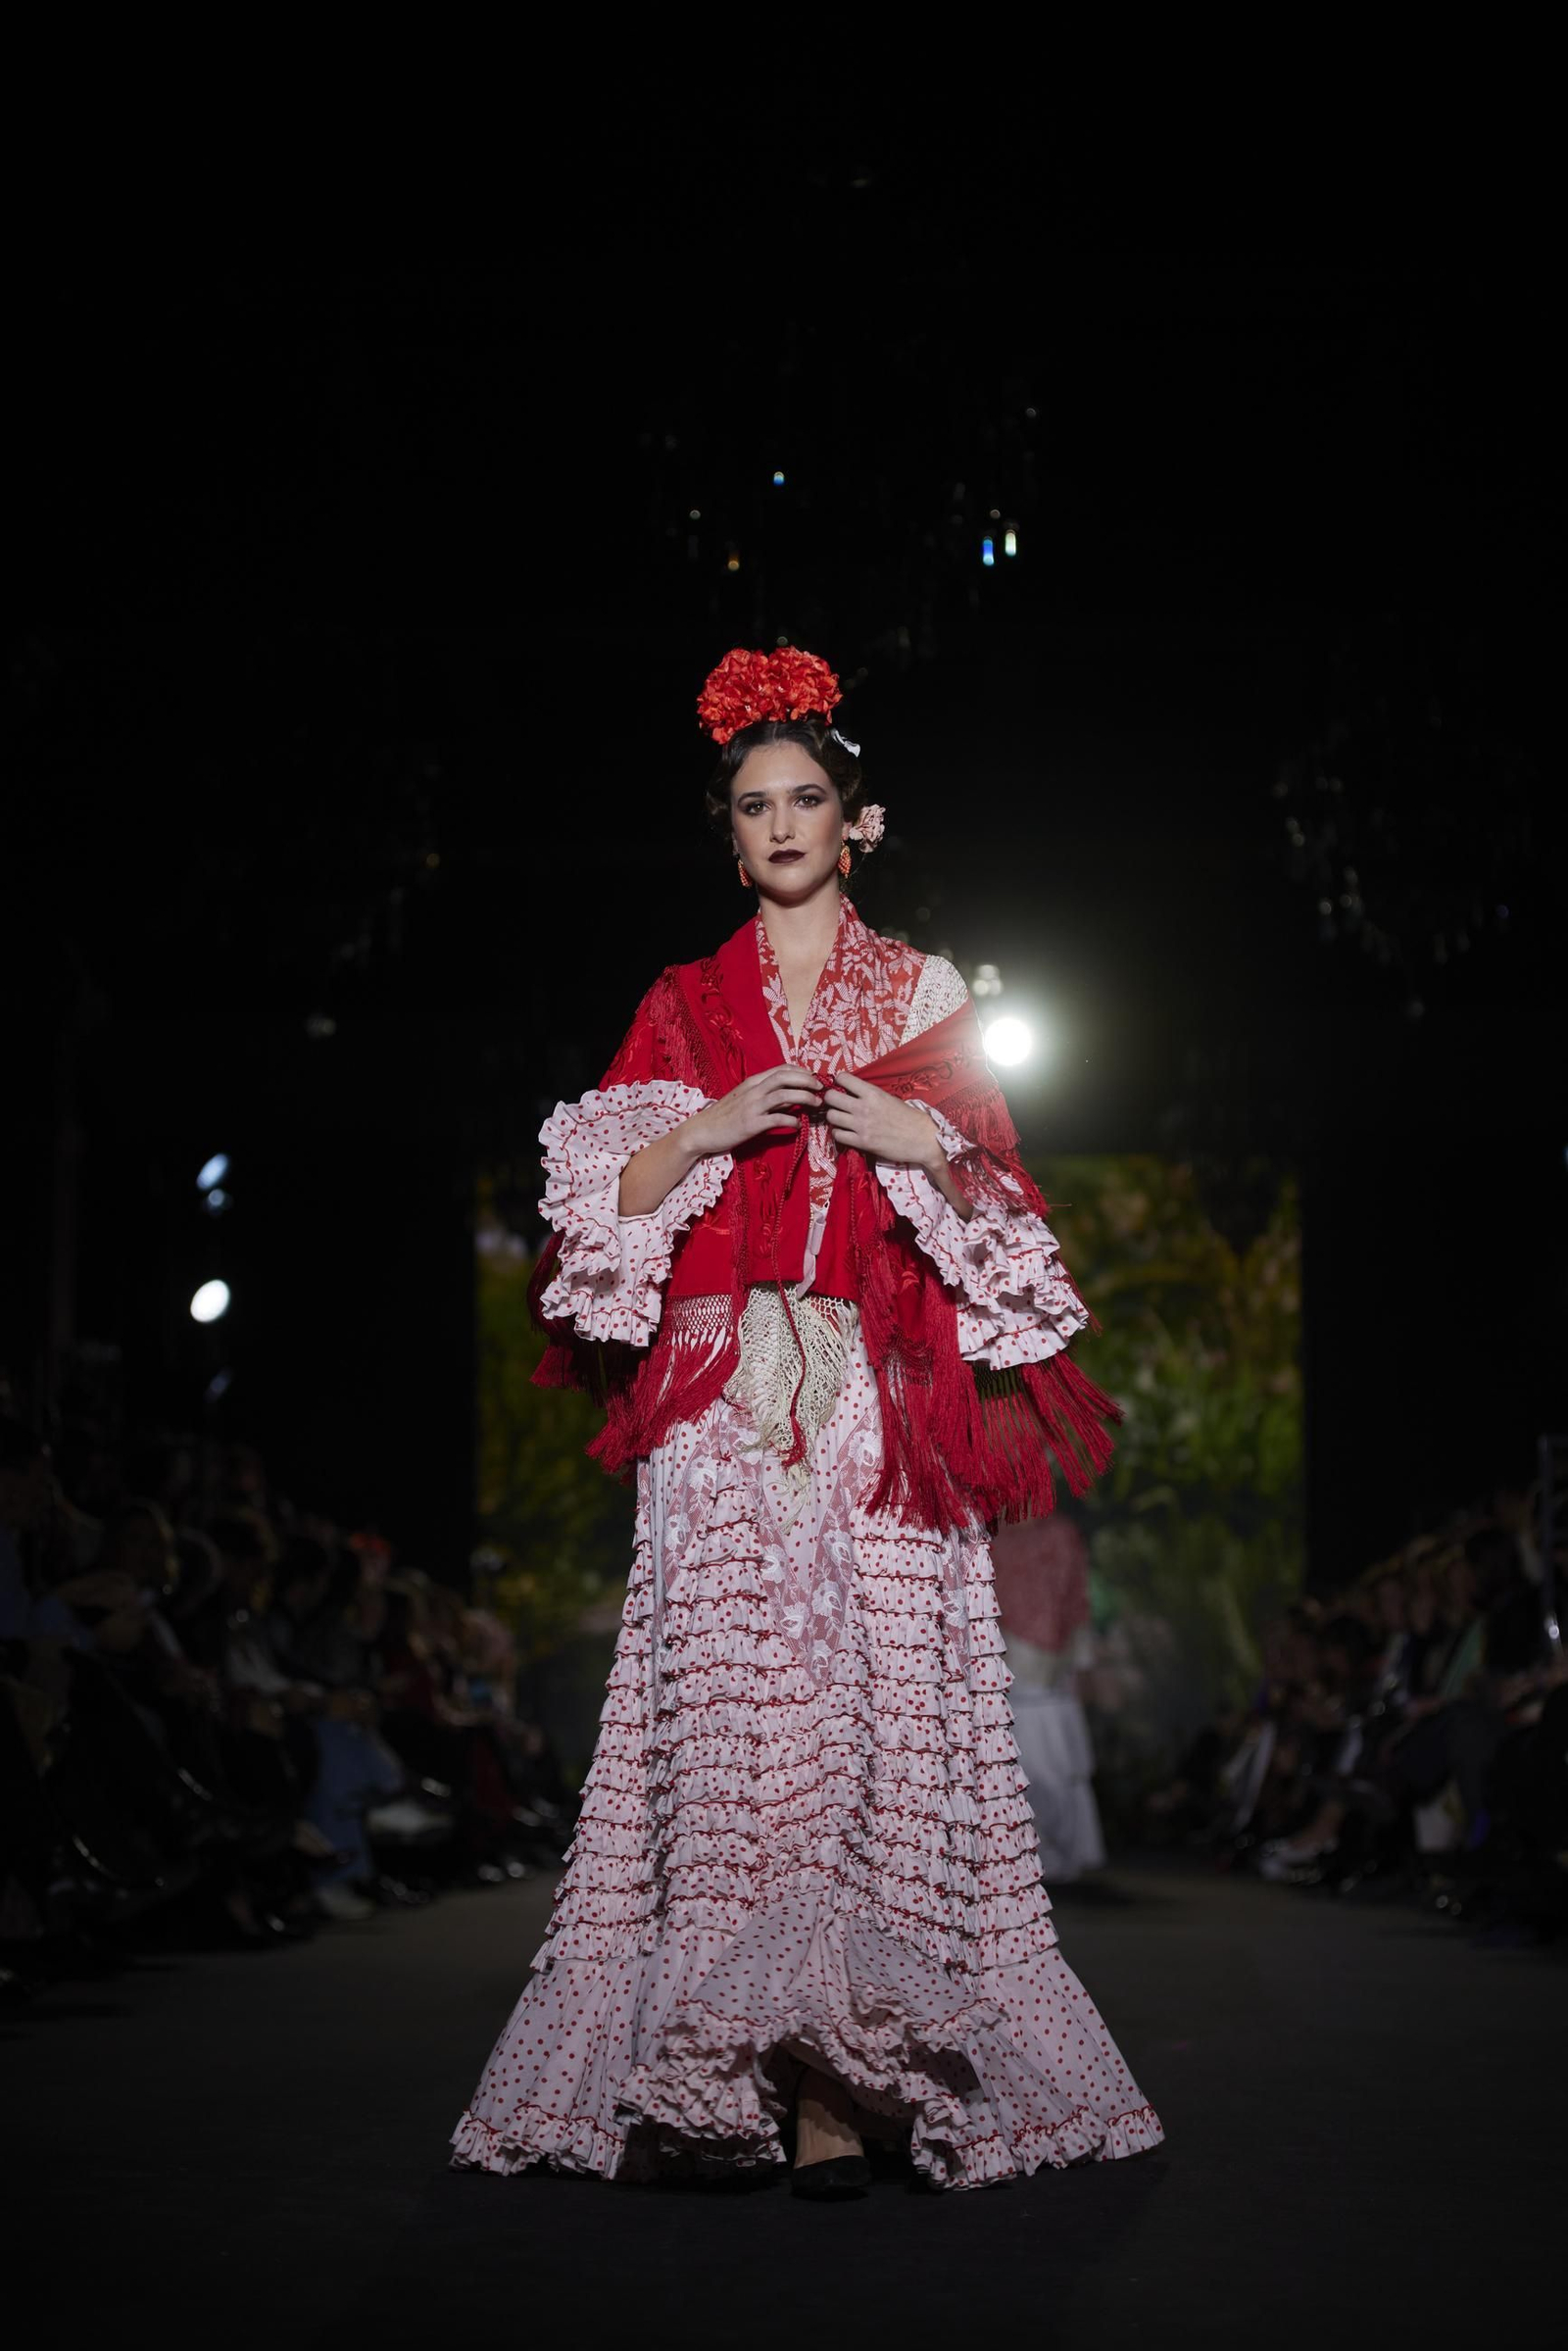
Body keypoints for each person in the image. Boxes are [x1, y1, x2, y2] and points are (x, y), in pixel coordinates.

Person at [452, 648, 1163, 2197]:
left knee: (873, 1736)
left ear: (860, 822)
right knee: (725, 1743)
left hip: (876, 1409)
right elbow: (595, 1231)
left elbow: (1011, 1229)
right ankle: (712, 2080)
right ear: (731, 835)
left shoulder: (922, 992)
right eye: (753, 806)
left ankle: (846, 2098)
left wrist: (922, 1140)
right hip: (723, 1416)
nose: (781, 824)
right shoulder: (683, 1002)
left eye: (807, 799)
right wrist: (704, 1126)